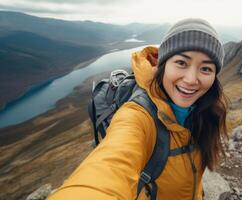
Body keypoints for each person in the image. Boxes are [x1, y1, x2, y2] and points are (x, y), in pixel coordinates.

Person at [48, 18, 228, 200]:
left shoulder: (207, 110)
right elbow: (107, 170)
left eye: (205, 68)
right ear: (162, 65)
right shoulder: (137, 116)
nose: (191, 79)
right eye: (181, 63)